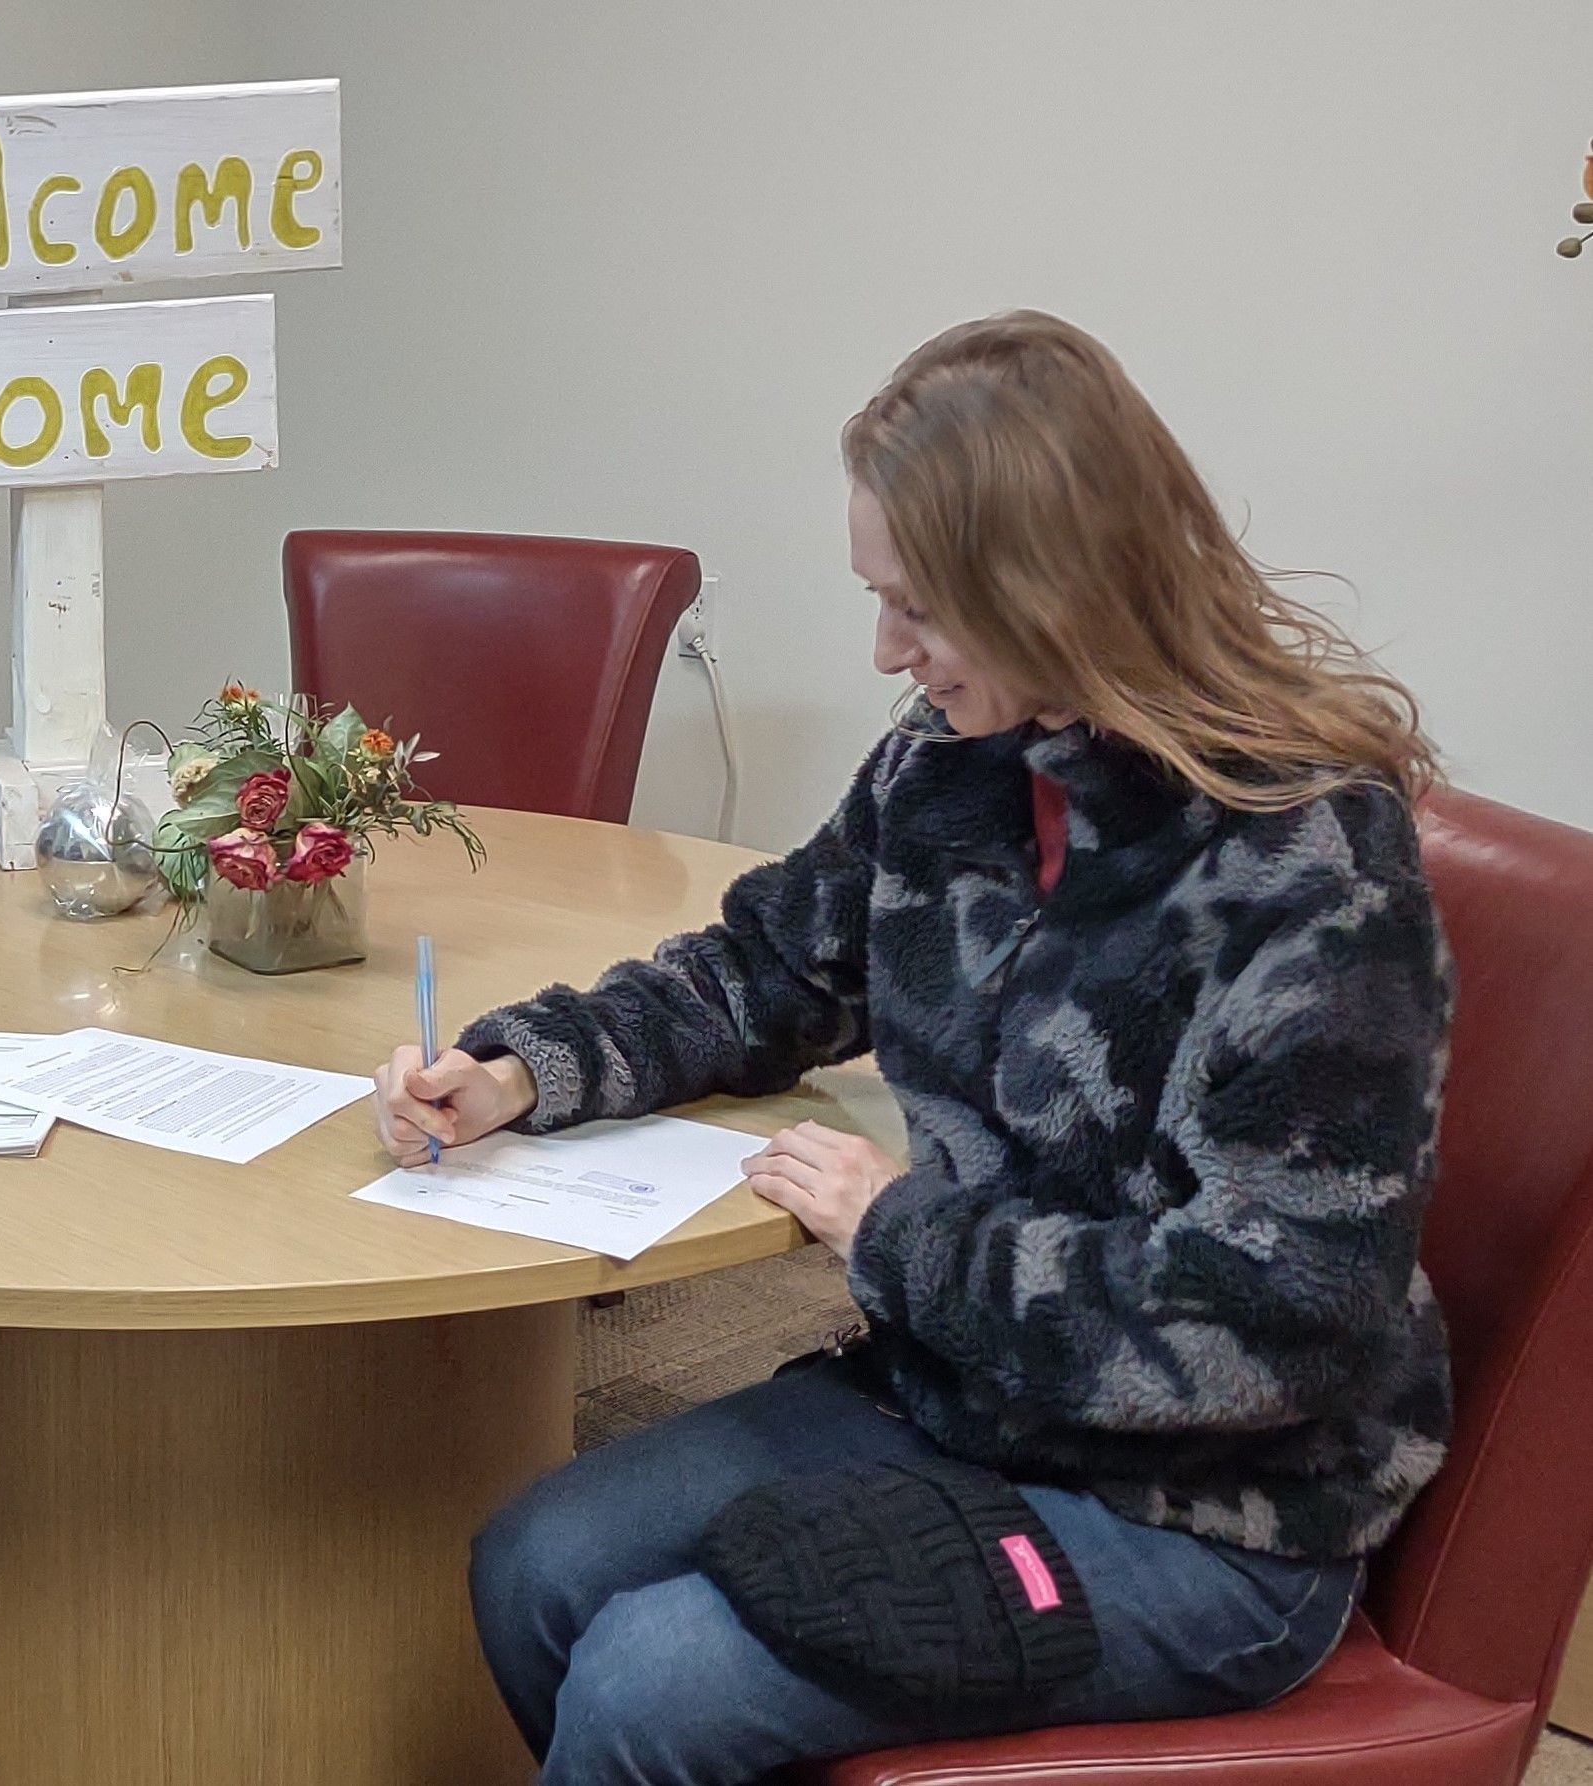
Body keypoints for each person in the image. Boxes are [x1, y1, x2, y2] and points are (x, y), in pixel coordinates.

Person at [371, 312, 1453, 1784]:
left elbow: (1277, 1319)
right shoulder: (953, 760)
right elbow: (768, 966)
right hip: (963, 1399)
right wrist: (519, 1070)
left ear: (1053, 592)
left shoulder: (1311, 869)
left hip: (1211, 1513)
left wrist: (902, 1230)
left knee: (648, 1684)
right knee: (536, 1562)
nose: (887, 650)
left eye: (922, 610)